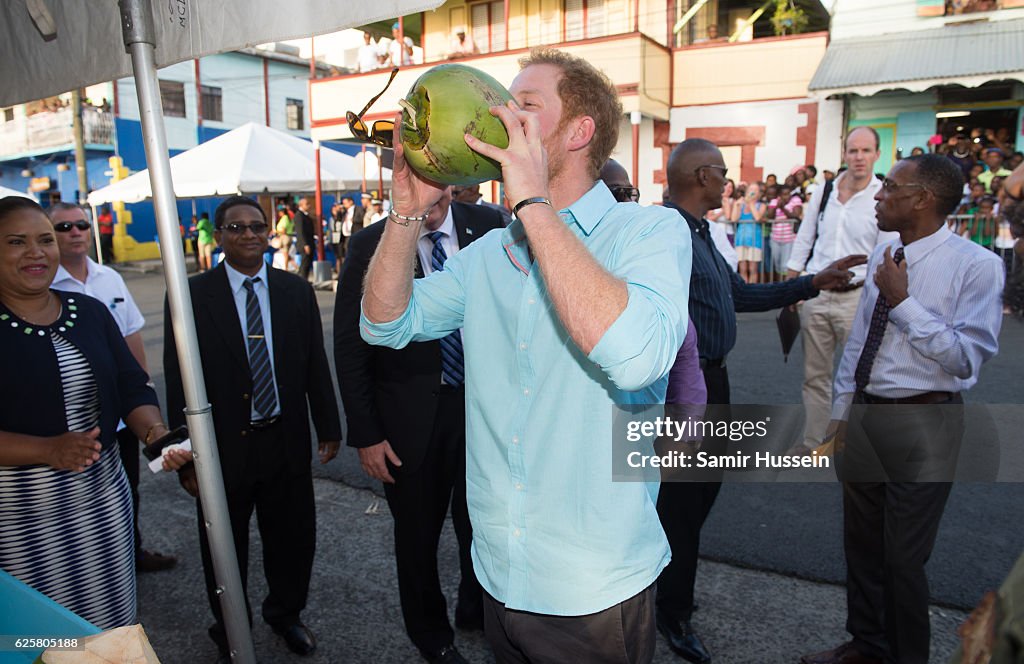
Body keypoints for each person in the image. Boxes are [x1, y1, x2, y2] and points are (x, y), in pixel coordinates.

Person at [362, 47, 692, 663]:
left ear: (578, 132)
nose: (504, 117)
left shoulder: (648, 232)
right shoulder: (488, 253)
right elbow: (385, 325)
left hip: (592, 589)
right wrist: (405, 214)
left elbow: (636, 358)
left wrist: (534, 204)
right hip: (499, 574)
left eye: (526, 107)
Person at [657, 139, 864, 664]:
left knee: (699, 499)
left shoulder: (704, 232)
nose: (727, 183)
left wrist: (811, 283)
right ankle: (671, 610)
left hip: (714, 385)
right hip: (685, 391)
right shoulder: (664, 233)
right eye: (722, 173)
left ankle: (669, 589)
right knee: (681, 505)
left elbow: (739, 296)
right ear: (701, 176)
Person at [800, 154, 1004, 664]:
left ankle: (907, 655)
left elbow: (964, 360)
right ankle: (866, 644)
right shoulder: (884, 251)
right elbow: (861, 340)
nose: (878, 194)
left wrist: (906, 303)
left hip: (927, 420)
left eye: (890, 186)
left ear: (922, 199)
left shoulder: (977, 265)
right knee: (862, 546)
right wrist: (842, 413)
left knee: (903, 558)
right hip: (868, 414)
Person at [163, 196, 341, 663]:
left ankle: (285, 615)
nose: (248, 235)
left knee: (292, 539)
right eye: (236, 227)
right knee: (223, 546)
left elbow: (313, 364)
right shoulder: (191, 295)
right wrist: (184, 452)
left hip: (283, 439)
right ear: (218, 236)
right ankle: (228, 628)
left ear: (269, 233)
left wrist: (328, 424)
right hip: (221, 449)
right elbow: (177, 373)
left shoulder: (294, 290)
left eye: (256, 227)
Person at [0, 197, 189, 629]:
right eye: (16, 242)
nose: (37, 252)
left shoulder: (88, 311)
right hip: (17, 516)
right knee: (39, 638)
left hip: (102, 502)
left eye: (45, 240)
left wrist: (157, 435)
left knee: (110, 630)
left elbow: (131, 384)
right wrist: (45, 449)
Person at [335, 185, 503, 664]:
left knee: (487, 523)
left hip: (484, 411)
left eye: (440, 199)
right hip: (409, 421)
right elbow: (351, 345)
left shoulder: (489, 227)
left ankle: (479, 608)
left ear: (453, 186)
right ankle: (433, 638)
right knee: (417, 536)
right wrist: (366, 433)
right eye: (421, 199)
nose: (431, 211)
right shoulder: (374, 242)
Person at [47, 202, 177, 573]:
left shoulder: (109, 278)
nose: (75, 232)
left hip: (118, 415)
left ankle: (126, 551)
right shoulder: (42, 285)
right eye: (64, 227)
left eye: (81, 225)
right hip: (66, 424)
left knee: (124, 487)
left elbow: (131, 336)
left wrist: (143, 394)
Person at [785, 127, 899, 455]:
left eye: (865, 151)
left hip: (858, 298)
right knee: (814, 376)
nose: (859, 157)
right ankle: (815, 443)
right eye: (853, 151)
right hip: (817, 296)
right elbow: (805, 238)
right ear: (844, 153)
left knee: (857, 377)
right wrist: (793, 287)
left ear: (877, 154)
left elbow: (885, 254)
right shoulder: (825, 191)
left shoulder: (883, 195)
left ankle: (849, 443)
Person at [731, 180, 765, 283]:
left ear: (759, 193)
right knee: (742, 269)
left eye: (755, 190)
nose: (753, 192)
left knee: (753, 268)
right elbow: (734, 219)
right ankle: (744, 288)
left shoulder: (761, 205)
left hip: (755, 240)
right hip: (741, 239)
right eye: (751, 189)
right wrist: (737, 206)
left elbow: (758, 217)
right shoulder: (741, 205)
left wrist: (751, 204)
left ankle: (752, 290)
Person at [293, 196, 315, 281]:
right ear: (301, 205)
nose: (309, 206)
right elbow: (300, 231)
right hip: (305, 244)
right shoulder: (299, 216)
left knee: (308, 263)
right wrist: (305, 244)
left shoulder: (305, 215)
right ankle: (302, 280)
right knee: (305, 263)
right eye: (307, 204)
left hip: (310, 242)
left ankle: (304, 279)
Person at [274, 204, 295, 272]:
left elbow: (283, 230)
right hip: (289, 236)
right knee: (286, 253)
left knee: (285, 253)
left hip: (285, 237)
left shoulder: (284, 218)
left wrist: (275, 231)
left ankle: (286, 269)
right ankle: (295, 265)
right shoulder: (288, 218)